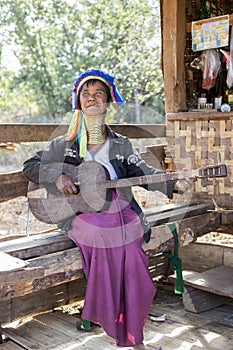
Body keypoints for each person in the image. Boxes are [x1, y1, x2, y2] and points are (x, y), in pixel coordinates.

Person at [23, 69, 193, 347]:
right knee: (103, 232)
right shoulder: (65, 143)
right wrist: (57, 176)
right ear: (79, 102)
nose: (92, 99)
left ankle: (130, 326)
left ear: (108, 101)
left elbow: (145, 172)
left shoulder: (120, 144)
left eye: (98, 94)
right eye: (86, 95)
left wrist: (175, 184)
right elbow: (29, 165)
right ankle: (112, 316)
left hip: (120, 209)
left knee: (130, 245)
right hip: (81, 213)